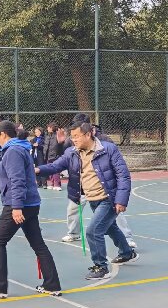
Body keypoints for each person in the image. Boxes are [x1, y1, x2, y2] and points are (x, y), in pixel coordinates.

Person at [37, 121, 138, 280]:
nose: (74, 139)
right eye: (72, 136)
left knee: (93, 231)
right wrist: (37, 169)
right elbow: (55, 166)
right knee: (110, 227)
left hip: (109, 199)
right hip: (92, 199)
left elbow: (123, 175)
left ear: (88, 134)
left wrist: (121, 200)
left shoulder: (107, 149)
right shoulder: (72, 153)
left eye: (77, 136)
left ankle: (101, 267)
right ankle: (127, 253)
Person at [0, 121, 62, 298]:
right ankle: (52, 284)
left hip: (19, 204)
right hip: (30, 204)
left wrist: (16, 207)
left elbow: (17, 180)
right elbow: (7, 172)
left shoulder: (13, 151)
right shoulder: (19, 148)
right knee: (38, 244)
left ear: (3, 135)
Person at [59, 114, 137, 249]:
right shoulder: (74, 138)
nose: (75, 137)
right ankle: (73, 233)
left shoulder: (103, 139)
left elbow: (116, 164)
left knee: (115, 212)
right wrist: (61, 143)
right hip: (82, 184)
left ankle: (127, 238)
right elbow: (65, 154)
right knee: (73, 209)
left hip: (102, 187)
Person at [43, 122, 62, 190]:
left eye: (49, 127)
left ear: (52, 128)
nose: (47, 128)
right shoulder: (47, 136)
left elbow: (60, 145)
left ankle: (57, 184)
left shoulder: (57, 135)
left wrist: (57, 154)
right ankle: (52, 183)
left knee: (56, 170)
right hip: (47, 156)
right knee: (50, 170)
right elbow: (45, 146)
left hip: (55, 155)